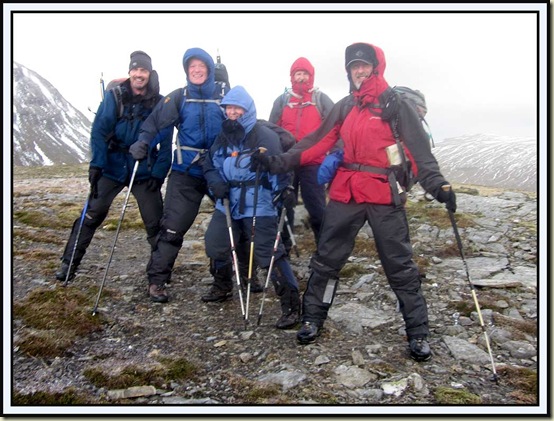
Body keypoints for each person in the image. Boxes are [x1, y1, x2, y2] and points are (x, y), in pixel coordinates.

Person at [251, 42, 457, 361]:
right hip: (347, 191)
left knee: (400, 266)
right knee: (327, 260)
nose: (358, 70)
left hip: (383, 193)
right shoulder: (345, 105)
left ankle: (417, 332)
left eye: (363, 65)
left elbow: (419, 153)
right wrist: (280, 161)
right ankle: (313, 319)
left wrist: (438, 185)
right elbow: (317, 142)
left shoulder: (396, 105)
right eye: (353, 66)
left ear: (377, 67)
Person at [130, 48, 263, 303]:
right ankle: (157, 280)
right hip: (186, 173)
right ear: (186, 71)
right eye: (192, 67)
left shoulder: (226, 96)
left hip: (222, 171)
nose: (197, 70)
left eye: (201, 66)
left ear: (210, 69)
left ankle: (238, 278)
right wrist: (144, 142)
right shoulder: (179, 98)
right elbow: (156, 124)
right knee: (171, 228)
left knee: (235, 221)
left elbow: (248, 122)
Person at [55, 50, 172, 283]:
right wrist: (97, 164)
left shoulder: (160, 103)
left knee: (154, 222)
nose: (139, 75)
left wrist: (159, 174)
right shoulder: (115, 96)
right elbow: (98, 131)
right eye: (136, 70)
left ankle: (159, 275)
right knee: (92, 213)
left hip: (144, 169)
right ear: (129, 72)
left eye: (144, 70)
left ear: (150, 73)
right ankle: (69, 264)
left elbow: (167, 141)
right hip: (112, 165)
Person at [202, 85, 300, 329]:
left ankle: (292, 305)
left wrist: (283, 192)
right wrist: (215, 182)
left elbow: (280, 166)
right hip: (228, 201)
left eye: (237, 108)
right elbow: (210, 163)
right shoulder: (223, 136)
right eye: (228, 108)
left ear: (247, 110)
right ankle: (222, 286)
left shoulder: (263, 135)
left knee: (268, 253)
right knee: (216, 244)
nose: (232, 112)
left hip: (259, 202)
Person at [268, 57, 334, 248]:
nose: (301, 78)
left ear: (311, 76)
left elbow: (334, 128)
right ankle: (284, 247)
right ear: (292, 76)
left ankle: (324, 249)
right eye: (298, 73)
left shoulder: (320, 99)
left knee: (316, 206)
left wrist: (334, 156)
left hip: (313, 161)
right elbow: (272, 130)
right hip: (287, 162)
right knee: (284, 205)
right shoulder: (282, 101)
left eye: (305, 74)